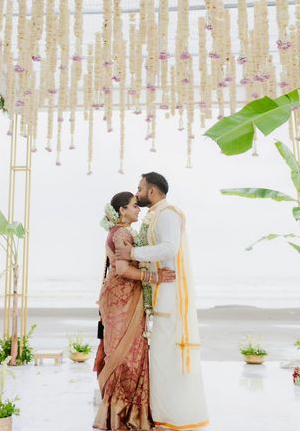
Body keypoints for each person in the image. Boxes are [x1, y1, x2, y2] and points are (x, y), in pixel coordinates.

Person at [116, 173, 209, 430]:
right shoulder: (157, 214)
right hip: (159, 290)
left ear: (153, 191)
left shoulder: (168, 213)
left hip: (169, 292)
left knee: (166, 356)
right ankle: (164, 415)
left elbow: (170, 247)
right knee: (160, 357)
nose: (137, 193)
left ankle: (176, 417)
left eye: (140, 188)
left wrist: (133, 253)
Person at [93, 191, 176, 431]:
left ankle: (122, 414)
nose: (138, 209)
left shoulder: (119, 232)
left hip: (123, 297)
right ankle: (122, 415)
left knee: (129, 352)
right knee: (127, 355)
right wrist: (155, 277)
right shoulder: (121, 233)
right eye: (133, 206)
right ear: (122, 210)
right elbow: (120, 269)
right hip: (122, 298)